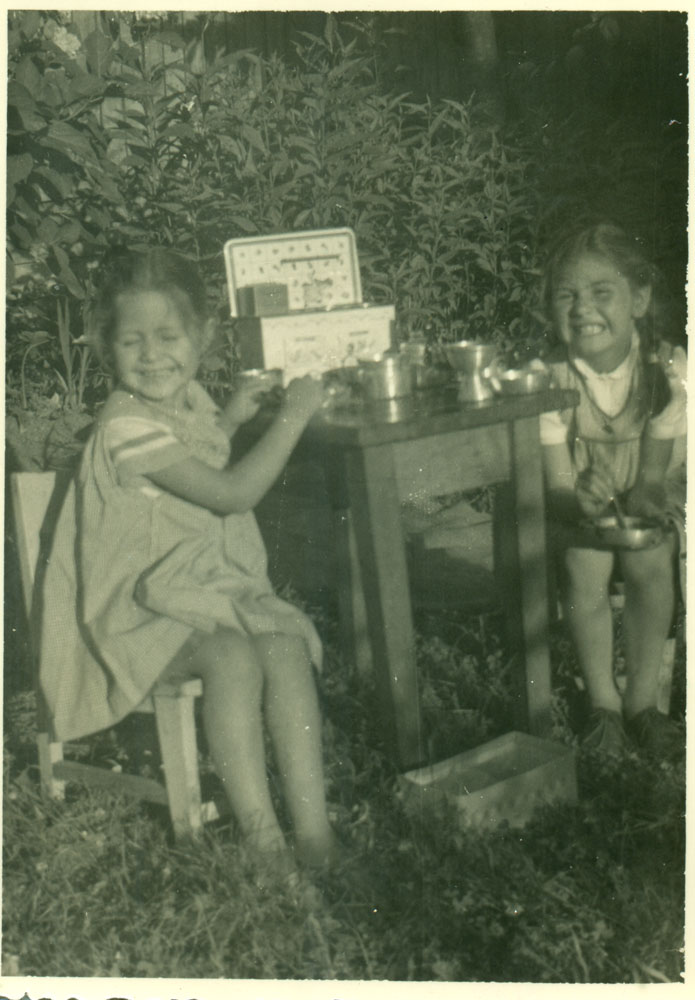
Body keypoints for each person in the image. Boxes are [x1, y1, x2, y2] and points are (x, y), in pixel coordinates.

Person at [39, 247, 339, 876]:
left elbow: (198, 448)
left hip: (187, 591)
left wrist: (232, 412)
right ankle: (264, 844)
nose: (152, 357)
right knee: (231, 653)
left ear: (202, 337)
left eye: (169, 337)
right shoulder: (123, 426)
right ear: (105, 348)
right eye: (132, 342)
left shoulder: (184, 404)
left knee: (281, 645)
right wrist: (293, 415)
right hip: (133, 613)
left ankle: (316, 835)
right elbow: (231, 493)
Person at [540, 222, 686, 759]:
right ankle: (603, 702)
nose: (582, 309)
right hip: (581, 502)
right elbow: (557, 486)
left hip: (647, 486)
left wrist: (643, 500)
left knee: (652, 557)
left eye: (602, 293)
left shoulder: (668, 371)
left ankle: (642, 702)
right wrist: (579, 498)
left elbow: (652, 477)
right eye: (566, 295)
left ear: (640, 299)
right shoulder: (548, 378)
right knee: (584, 560)